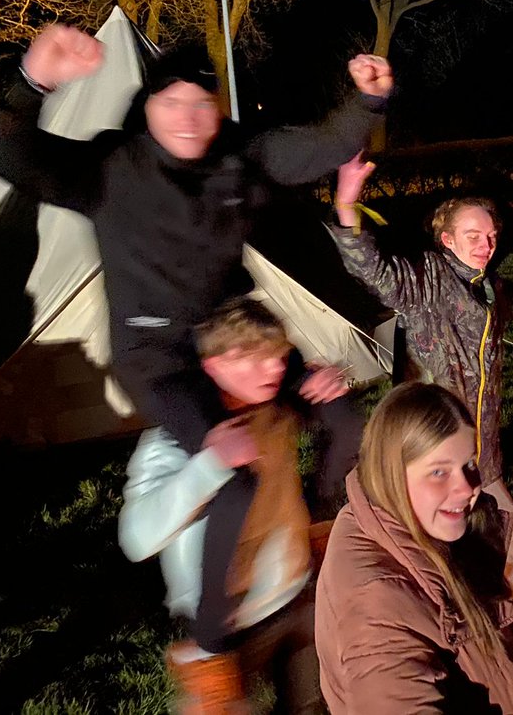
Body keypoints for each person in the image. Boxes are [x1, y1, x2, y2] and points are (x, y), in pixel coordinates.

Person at [0, 27, 390, 662]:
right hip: (161, 360)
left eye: (201, 103)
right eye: (170, 103)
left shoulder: (236, 159)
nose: (188, 117)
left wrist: (365, 103)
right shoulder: (111, 170)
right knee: (234, 478)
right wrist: (32, 81)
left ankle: (320, 526)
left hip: (238, 346)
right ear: (145, 109)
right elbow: (6, 152)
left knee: (341, 415)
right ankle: (208, 631)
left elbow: (314, 149)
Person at [328, 156, 513, 606]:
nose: (485, 244)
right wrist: (348, 206)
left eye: (490, 237)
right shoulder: (427, 280)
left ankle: (494, 626)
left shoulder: (489, 289)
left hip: (482, 458)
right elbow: (374, 272)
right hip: (429, 458)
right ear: (447, 240)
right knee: (433, 569)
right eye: (473, 236)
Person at [119, 297, 348, 714]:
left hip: (295, 596)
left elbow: (337, 436)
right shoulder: (170, 444)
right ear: (214, 366)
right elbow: (136, 539)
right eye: (256, 359)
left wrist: (328, 383)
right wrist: (210, 465)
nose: (276, 368)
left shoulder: (276, 412)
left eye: (277, 356)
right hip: (226, 633)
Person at [314, 381, 513, 714]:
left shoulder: (398, 517)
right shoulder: (375, 601)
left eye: (469, 464)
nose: (467, 488)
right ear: (392, 473)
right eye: (438, 472)